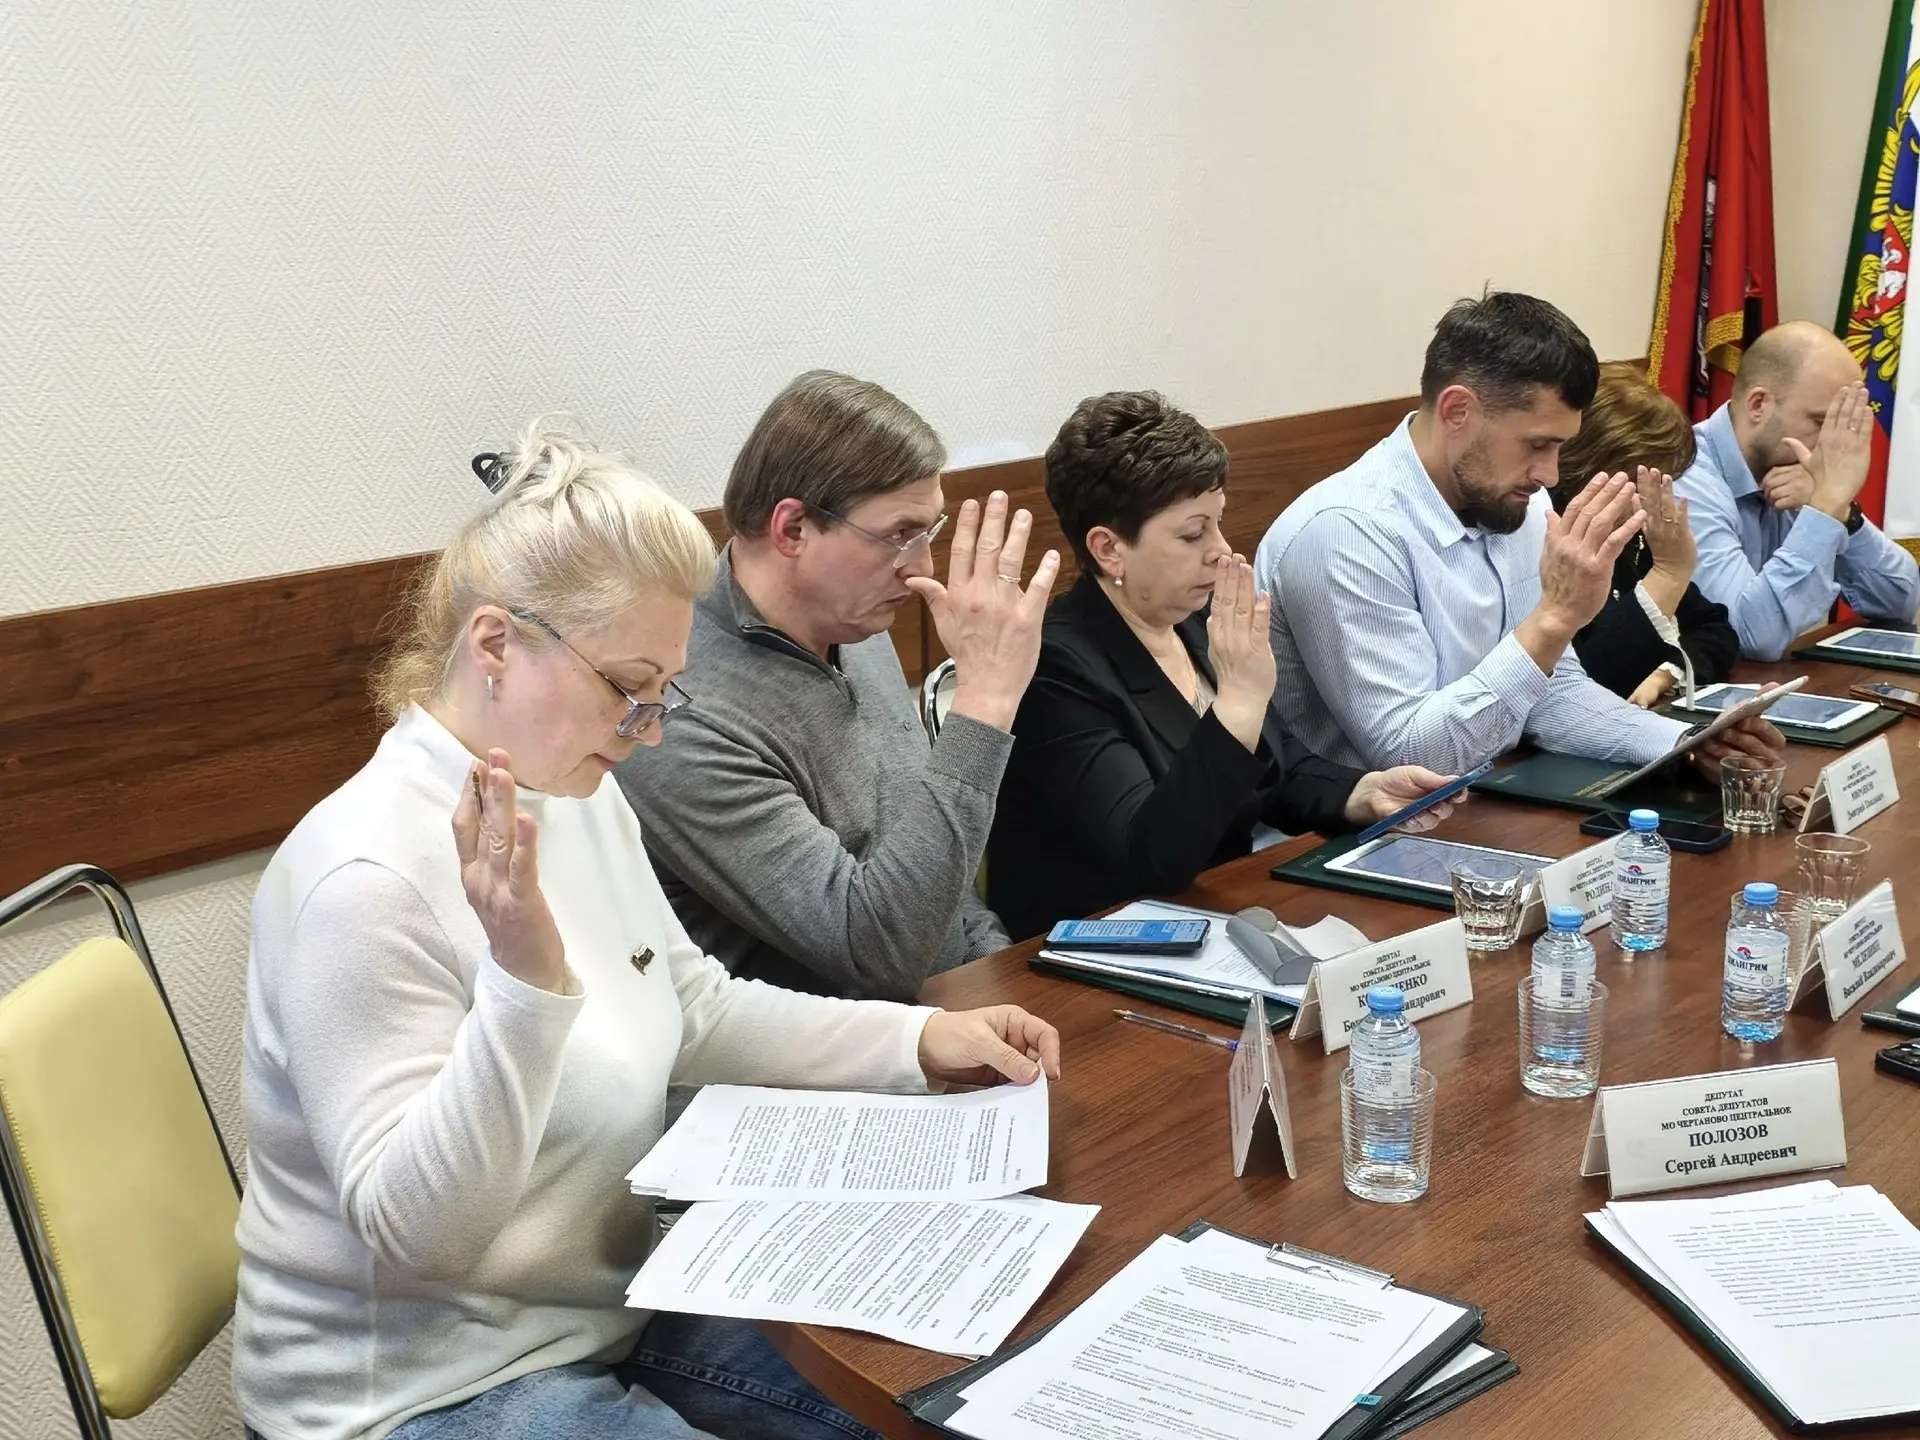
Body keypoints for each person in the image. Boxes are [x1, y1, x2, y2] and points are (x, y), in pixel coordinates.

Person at [232, 421, 1062, 1440]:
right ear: (494, 645)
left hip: (613, 1304)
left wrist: (915, 1041)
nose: (651, 729)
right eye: (627, 687)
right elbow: (421, 1239)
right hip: (425, 1385)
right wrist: (526, 985)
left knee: (944, 1399)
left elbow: (692, 1006)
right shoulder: (363, 877)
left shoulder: (570, 790)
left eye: (664, 690)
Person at [619, 372, 1056, 1001]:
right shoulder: (681, 711)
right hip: (828, 1053)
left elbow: (937, 859)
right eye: (899, 535)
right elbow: (876, 952)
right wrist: (985, 700)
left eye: (927, 534)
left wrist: (1001, 974)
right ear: (793, 529)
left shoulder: (854, 622)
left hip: (950, 1015)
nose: (922, 569)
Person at [987, 391, 1459, 942]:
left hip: (1219, 915)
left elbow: (1279, 772)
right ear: (1109, 549)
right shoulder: (1054, 667)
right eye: (1193, 533)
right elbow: (1151, 858)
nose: (1221, 549)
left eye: (1217, 523)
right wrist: (1237, 702)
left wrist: (1365, 793)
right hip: (1096, 946)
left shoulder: (1194, 617)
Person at [1255, 291, 1784, 777]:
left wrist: (1685, 743)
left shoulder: (1517, 503)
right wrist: (1555, 619)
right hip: (1361, 832)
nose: (1550, 475)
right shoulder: (1346, 534)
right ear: (1457, 411)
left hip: (1489, 791)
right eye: (1537, 445)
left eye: (1560, 447)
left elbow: (1551, 695)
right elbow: (1412, 757)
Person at [1675, 319, 1920, 660]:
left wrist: (1843, 514)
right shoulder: (1686, 478)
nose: (1832, 445)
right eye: (1821, 422)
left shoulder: (1799, 470)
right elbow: (1749, 637)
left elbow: (1901, 602)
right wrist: (1824, 508)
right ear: (1758, 405)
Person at [1546, 362, 1739, 706]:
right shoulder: (1547, 536)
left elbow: (1716, 631)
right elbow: (1587, 679)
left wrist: (1666, 673)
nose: (1651, 498)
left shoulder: (1634, 535)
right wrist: (1669, 574)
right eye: (1641, 479)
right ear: (1589, 463)